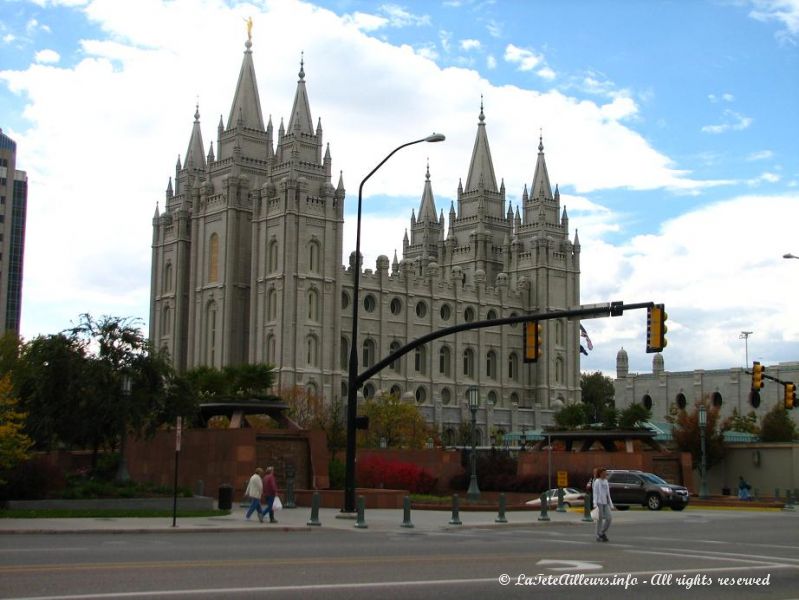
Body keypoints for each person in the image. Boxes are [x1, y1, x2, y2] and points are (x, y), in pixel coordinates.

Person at [593, 467, 614, 542]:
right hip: (599, 503)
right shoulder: (597, 481)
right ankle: (598, 535)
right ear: (600, 474)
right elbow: (595, 493)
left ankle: (602, 532)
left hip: (605, 503)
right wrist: (595, 503)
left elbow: (608, 493)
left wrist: (611, 503)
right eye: (604, 473)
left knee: (609, 518)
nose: (605, 474)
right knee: (600, 519)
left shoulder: (605, 481)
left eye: (606, 473)